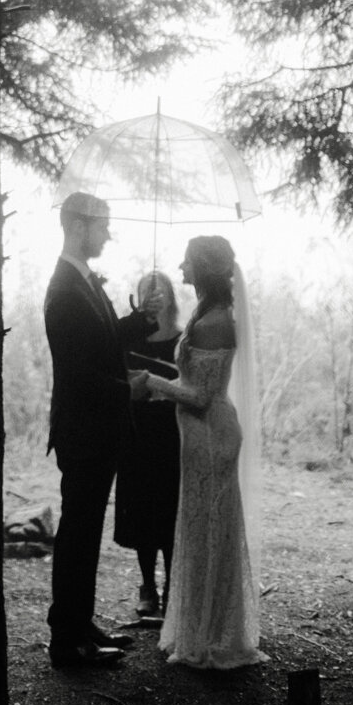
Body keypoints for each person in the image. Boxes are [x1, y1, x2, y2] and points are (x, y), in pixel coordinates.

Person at [137, 234, 264, 669]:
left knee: (209, 530)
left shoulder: (214, 321)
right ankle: (206, 627)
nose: (181, 268)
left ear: (204, 268)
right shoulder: (207, 313)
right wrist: (159, 377)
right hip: (199, 438)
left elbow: (202, 396)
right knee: (201, 529)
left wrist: (149, 383)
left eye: (188, 262)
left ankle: (213, 634)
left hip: (212, 436)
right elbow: (191, 380)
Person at [43, 191, 153, 669]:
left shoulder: (81, 281)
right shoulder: (64, 288)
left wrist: (137, 322)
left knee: (84, 532)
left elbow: (99, 343)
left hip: (95, 430)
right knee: (78, 534)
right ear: (78, 225)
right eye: (103, 225)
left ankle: (79, 623)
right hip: (84, 431)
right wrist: (126, 391)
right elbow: (79, 373)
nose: (108, 233)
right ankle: (67, 640)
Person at [114, 269, 182, 621]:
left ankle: (173, 586)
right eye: (147, 291)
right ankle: (146, 587)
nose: (155, 296)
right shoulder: (129, 339)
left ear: (171, 295)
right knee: (141, 508)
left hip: (171, 431)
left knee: (169, 508)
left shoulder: (183, 340)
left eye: (160, 291)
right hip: (138, 429)